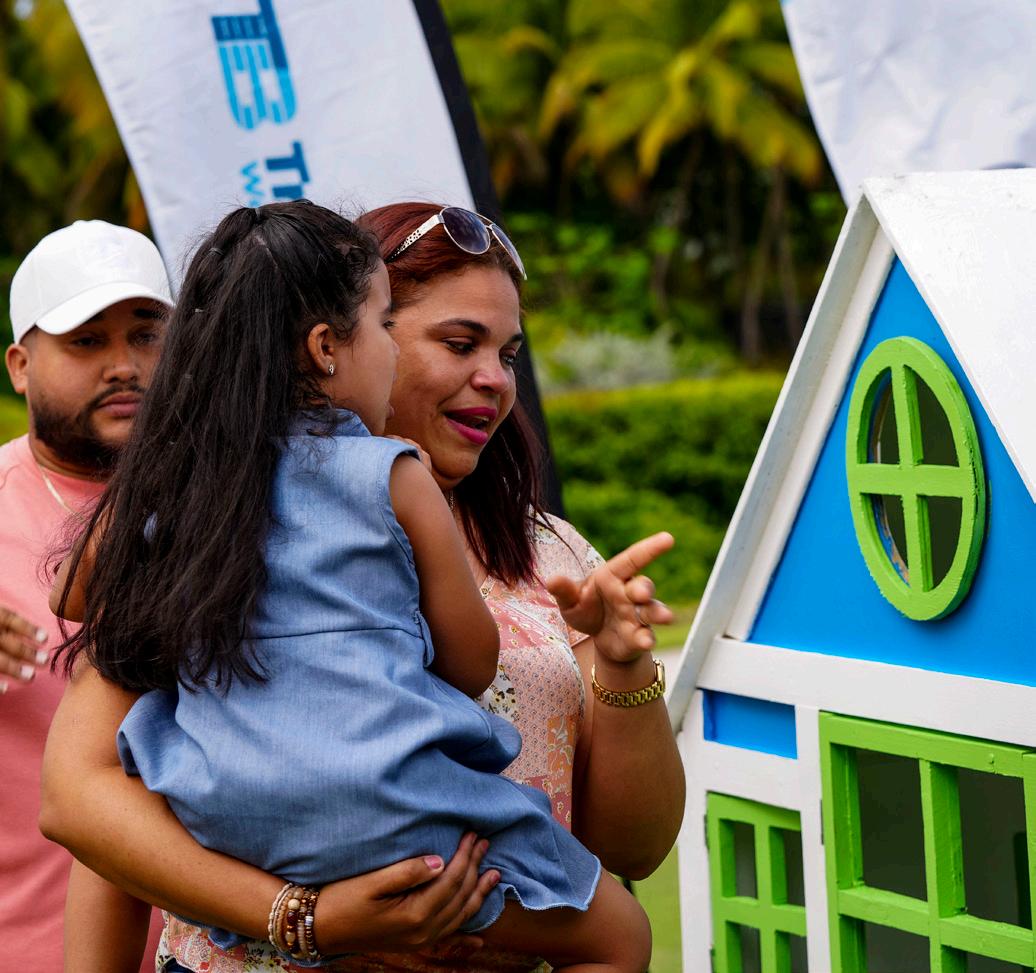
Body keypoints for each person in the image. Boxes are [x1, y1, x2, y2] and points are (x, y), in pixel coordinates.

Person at [40, 201, 685, 972]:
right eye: (458, 343)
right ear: (328, 343)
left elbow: (634, 850)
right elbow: (87, 805)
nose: (494, 379)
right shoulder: (218, 531)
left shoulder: (550, 550)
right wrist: (309, 916)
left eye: (510, 354)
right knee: (622, 937)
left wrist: (623, 664)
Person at [0, 219, 173, 973]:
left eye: (146, 334)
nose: (124, 366)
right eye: (86, 341)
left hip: (230, 947)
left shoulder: (241, 498)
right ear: (20, 366)